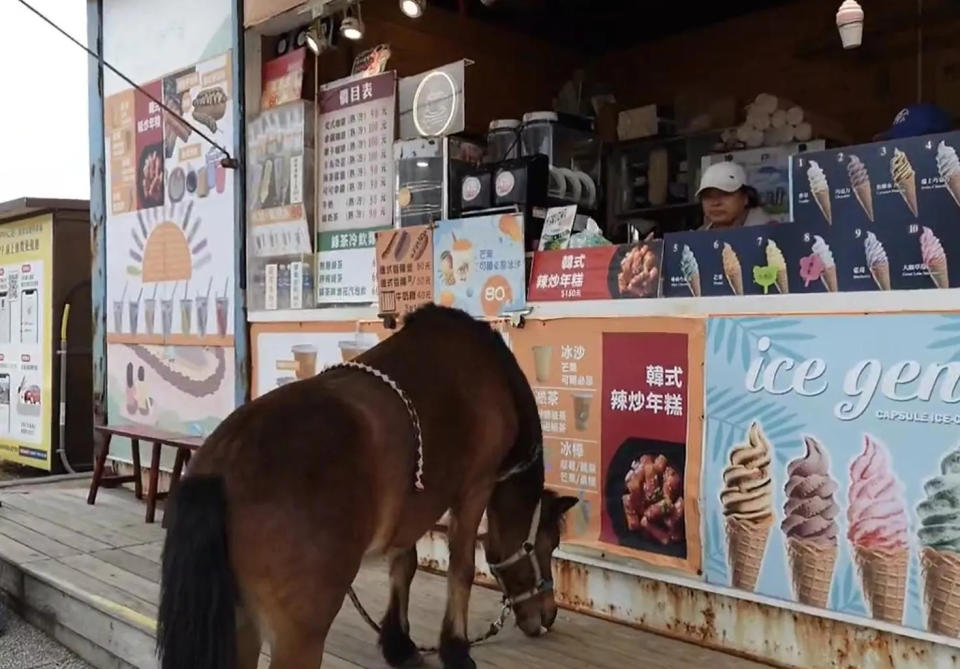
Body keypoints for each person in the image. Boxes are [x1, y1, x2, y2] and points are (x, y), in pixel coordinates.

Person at [696, 161, 771, 230]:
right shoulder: (697, 237)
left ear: (745, 198)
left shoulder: (770, 232)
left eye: (724, 194)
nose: (715, 203)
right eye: (707, 196)